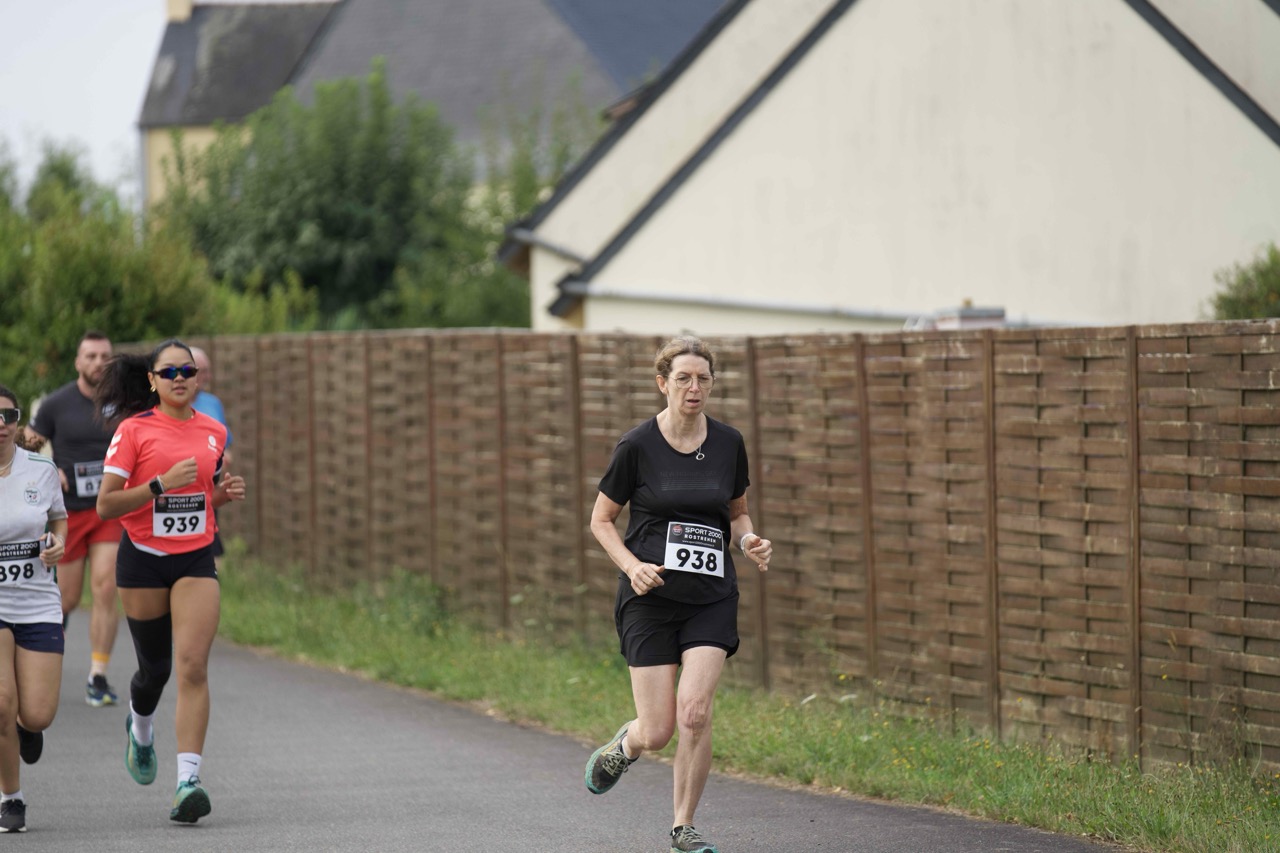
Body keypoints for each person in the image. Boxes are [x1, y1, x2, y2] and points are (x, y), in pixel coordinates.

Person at [584, 335, 772, 853]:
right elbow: (601, 520)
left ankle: (683, 827)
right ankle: (627, 744)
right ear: (662, 384)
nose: (694, 387)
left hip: (711, 596)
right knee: (658, 730)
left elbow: (737, 513)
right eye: (684, 378)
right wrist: (632, 566)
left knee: (695, 712)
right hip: (650, 597)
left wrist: (749, 541)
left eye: (703, 379)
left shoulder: (729, 442)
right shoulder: (637, 446)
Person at [95, 339, 246, 824]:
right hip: (143, 559)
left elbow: (198, 500)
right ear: (152, 380)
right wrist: (160, 484)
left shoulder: (214, 431)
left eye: (187, 371)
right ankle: (140, 728)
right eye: (169, 372)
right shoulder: (134, 430)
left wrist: (221, 496)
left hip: (195, 558)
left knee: (192, 665)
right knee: (154, 670)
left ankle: (188, 782)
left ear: (198, 379)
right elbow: (106, 505)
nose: (180, 378)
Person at [22, 331, 123, 708]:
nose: (98, 363)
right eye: (91, 356)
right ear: (78, 362)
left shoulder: (124, 402)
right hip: (68, 513)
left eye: (104, 356)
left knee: (105, 586)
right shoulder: (56, 404)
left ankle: (98, 675)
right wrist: (50, 467)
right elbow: (26, 444)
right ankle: (45, 656)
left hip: (108, 509)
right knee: (66, 598)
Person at [0, 385, 69, 833]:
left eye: (7, 416)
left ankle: (27, 728)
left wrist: (57, 543)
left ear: (18, 422)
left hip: (38, 602)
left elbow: (59, 519)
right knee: (1, 704)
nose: (0, 425)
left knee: (37, 713)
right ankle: (11, 798)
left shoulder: (41, 469)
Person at [189, 347, 232, 567]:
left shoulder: (213, 403)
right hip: (179, 487)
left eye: (208, 371)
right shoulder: (170, 406)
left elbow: (226, 443)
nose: (208, 377)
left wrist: (226, 456)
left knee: (211, 543)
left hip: (208, 487)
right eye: (203, 371)